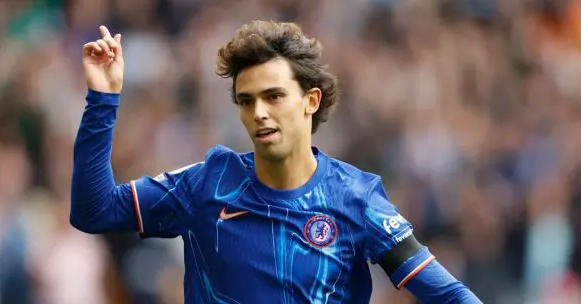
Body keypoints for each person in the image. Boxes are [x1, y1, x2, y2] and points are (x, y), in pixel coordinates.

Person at [70, 22, 482, 303]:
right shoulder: (207, 185)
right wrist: (103, 99)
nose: (259, 113)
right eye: (247, 101)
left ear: (310, 100)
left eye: (274, 96)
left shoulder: (357, 199)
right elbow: (95, 211)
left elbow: (448, 295)